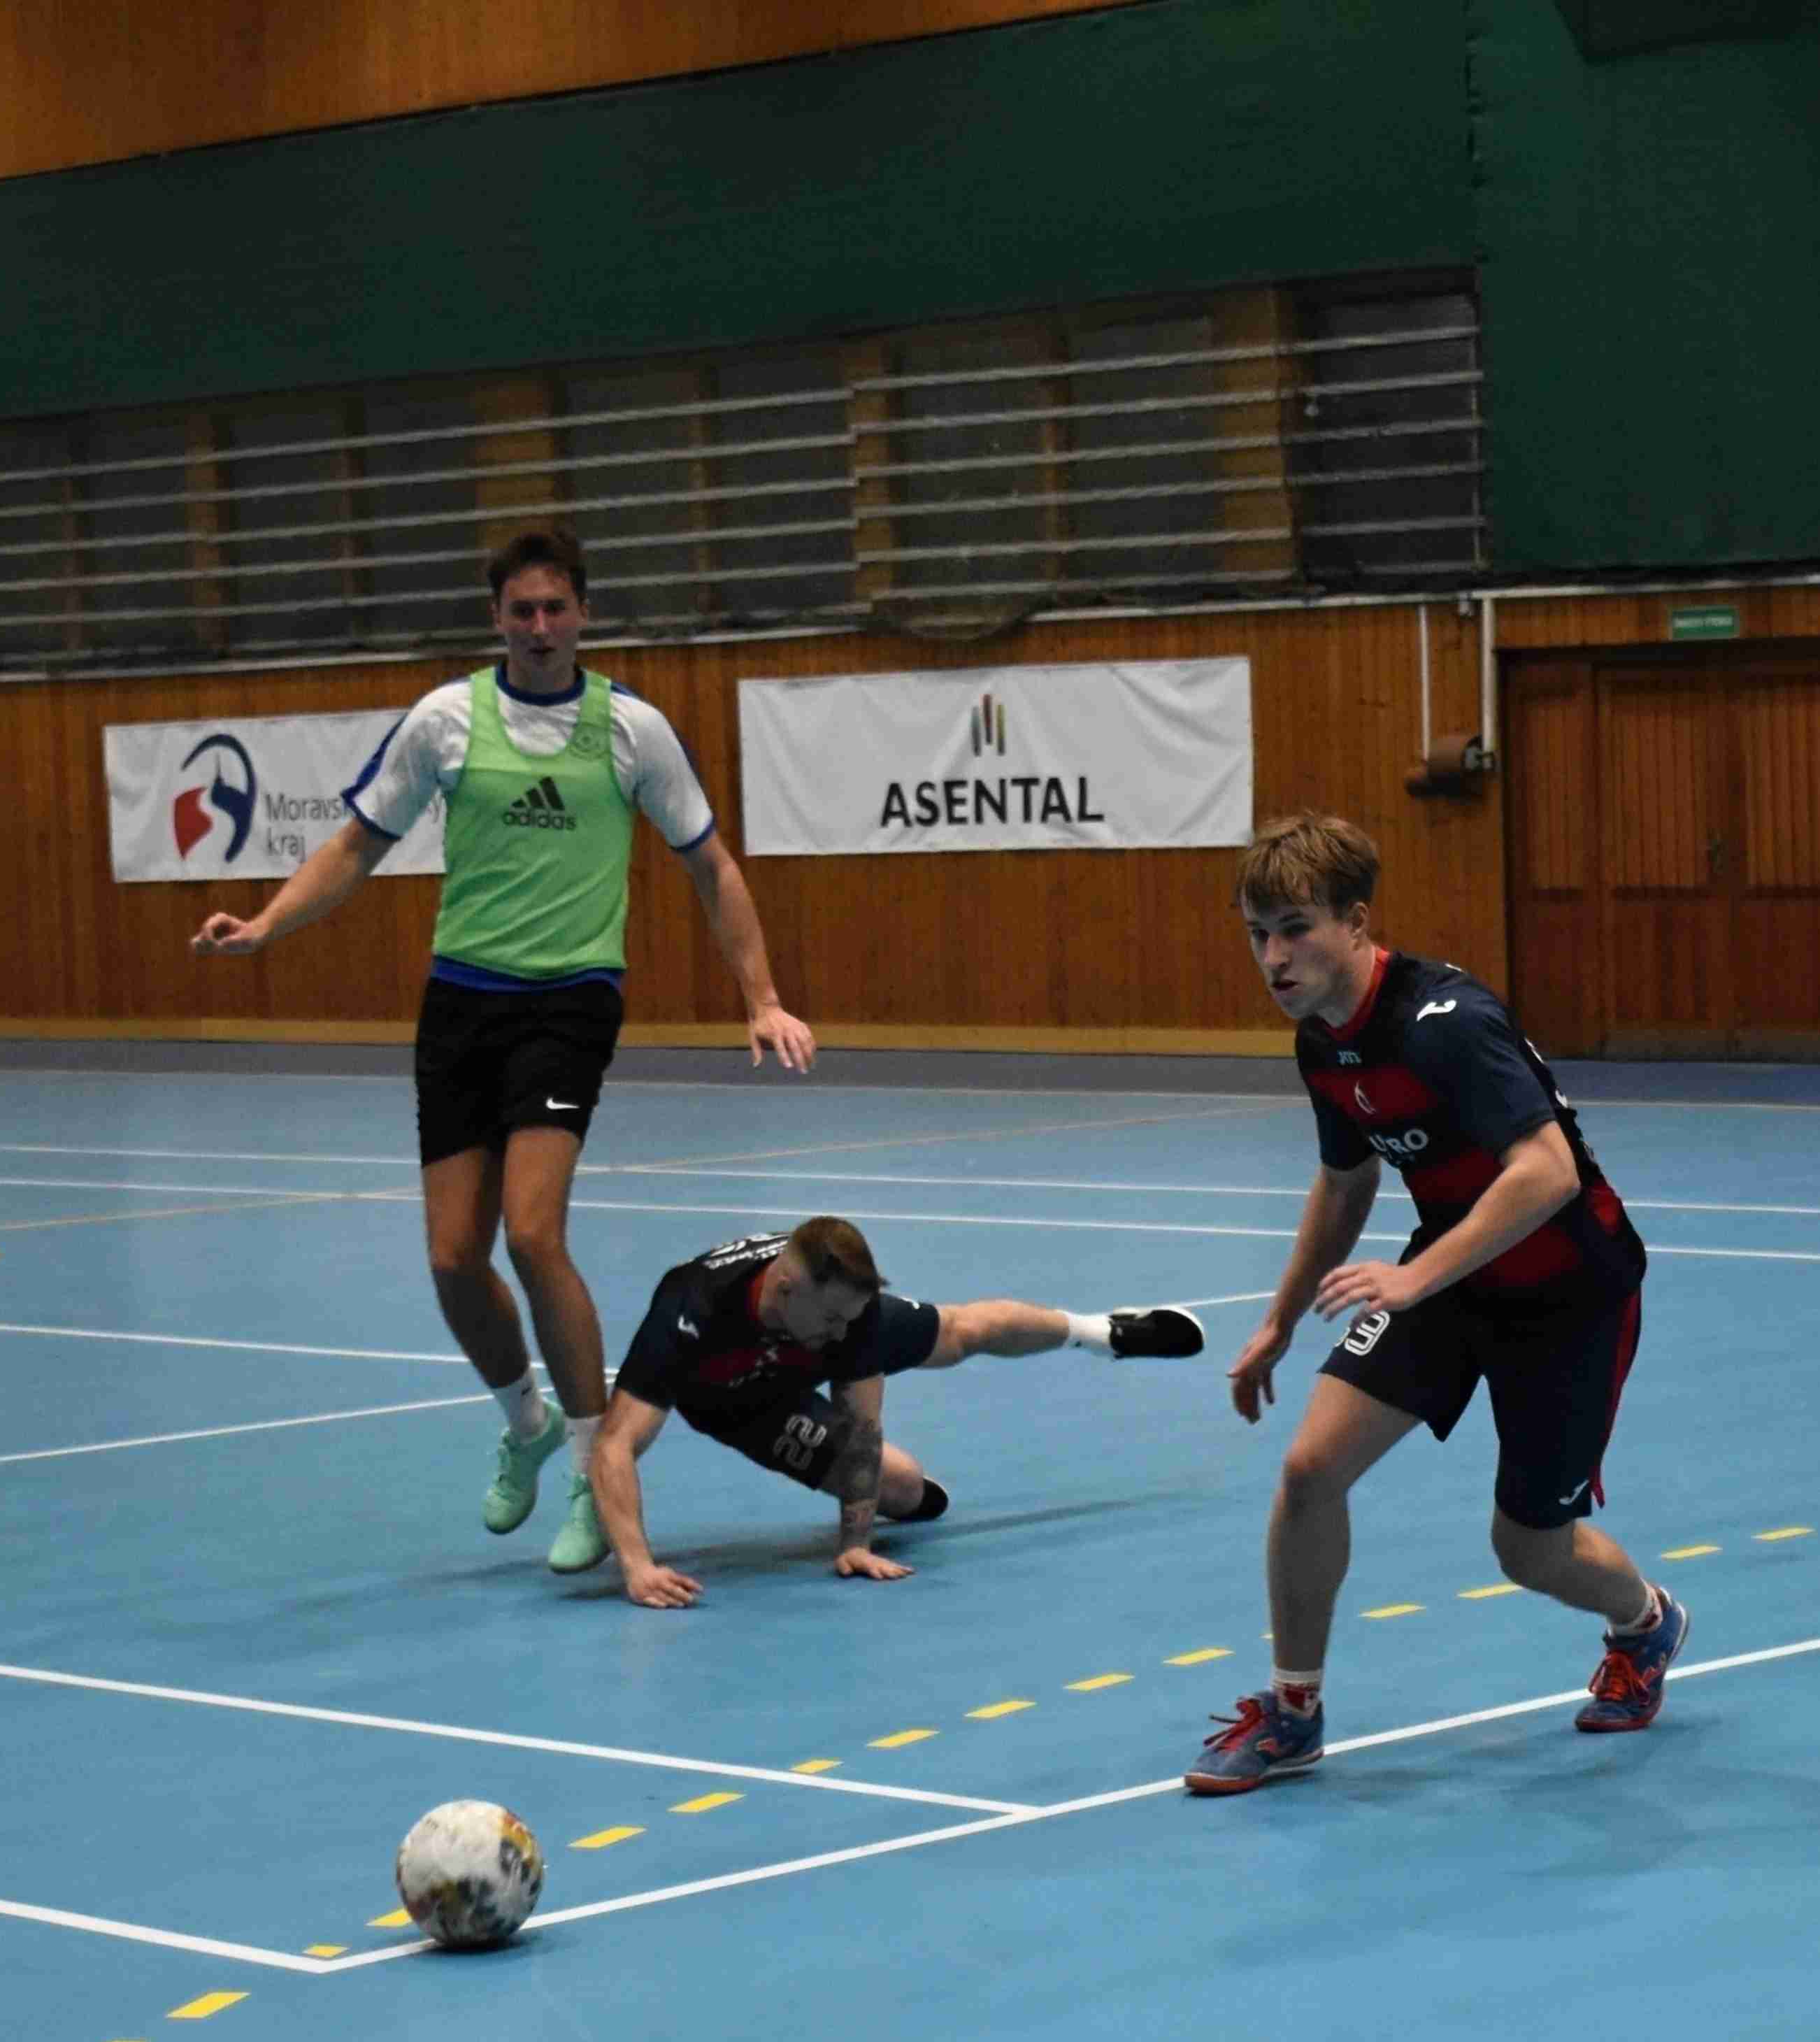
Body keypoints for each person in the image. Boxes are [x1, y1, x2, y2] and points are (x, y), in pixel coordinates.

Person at [190, 530, 817, 1576]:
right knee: (452, 1256)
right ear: (497, 618)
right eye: (521, 610)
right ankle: (527, 1421)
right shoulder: (445, 721)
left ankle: (591, 1463)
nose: (538, 626)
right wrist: (265, 925)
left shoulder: (631, 729)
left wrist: (762, 997)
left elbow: (711, 864)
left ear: (583, 615)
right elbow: (355, 846)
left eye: (555, 608)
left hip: (569, 1003)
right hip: (462, 1003)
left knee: (532, 1232)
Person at [1184, 812, 1682, 1794]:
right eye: (1257, 934)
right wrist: (1279, 1321)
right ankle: (1293, 1713)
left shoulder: (1444, 1024)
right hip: (1457, 1274)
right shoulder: (1323, 1043)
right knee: (1310, 1469)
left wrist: (1414, 1277)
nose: (1274, 959)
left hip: (1569, 1292)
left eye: (1295, 930)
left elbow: (1545, 1172)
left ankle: (1645, 1623)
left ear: (1356, 921)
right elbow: (1345, 1183)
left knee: (1528, 1549)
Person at [584, 1219, 1205, 1610]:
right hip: (738, 1402)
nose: (842, 1331)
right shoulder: (691, 1306)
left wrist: (855, 1544)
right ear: (784, 1289)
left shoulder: (846, 1319)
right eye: (833, 1317)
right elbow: (615, 1443)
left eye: (850, 1317)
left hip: (799, 1358)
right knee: (904, 1488)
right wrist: (637, 1567)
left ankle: (1103, 1333)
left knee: (960, 1335)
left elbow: (862, 1427)